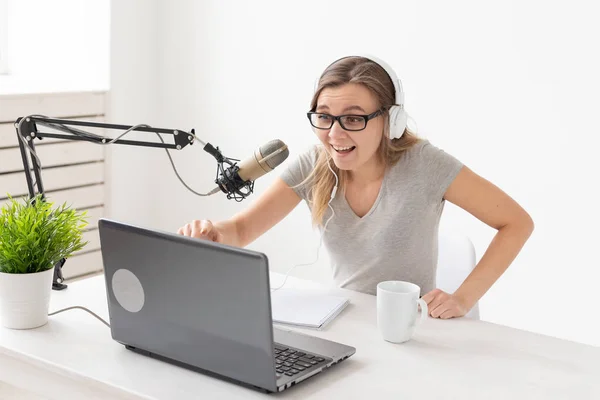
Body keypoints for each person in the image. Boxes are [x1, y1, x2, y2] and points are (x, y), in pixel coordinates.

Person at [178, 55, 534, 319]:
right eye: (324, 117)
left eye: (353, 118)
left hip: (410, 328)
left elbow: (517, 223)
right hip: (344, 321)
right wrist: (212, 233)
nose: (334, 134)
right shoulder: (315, 165)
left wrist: (463, 299)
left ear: (390, 120)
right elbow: (240, 230)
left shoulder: (425, 164)